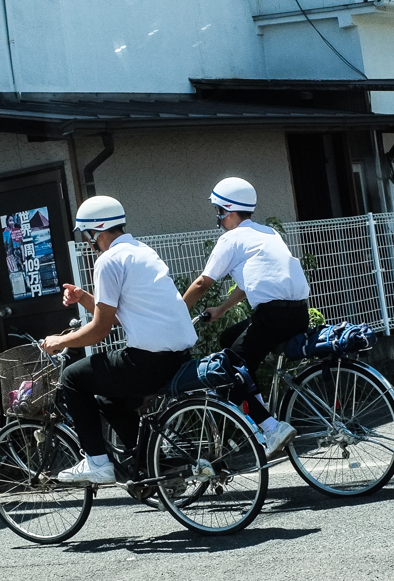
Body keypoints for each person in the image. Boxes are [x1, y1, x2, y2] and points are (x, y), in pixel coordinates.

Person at [41, 196, 198, 484]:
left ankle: (97, 462)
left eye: (89, 236)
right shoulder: (142, 252)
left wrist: (60, 341)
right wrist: (84, 298)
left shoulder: (109, 260)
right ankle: (150, 464)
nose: (90, 243)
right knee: (109, 400)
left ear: (96, 233)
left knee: (73, 377)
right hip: (179, 357)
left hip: (149, 363)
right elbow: (115, 317)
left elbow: (100, 331)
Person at [182, 176, 307, 459]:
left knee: (227, 370)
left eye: (219, 212)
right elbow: (248, 283)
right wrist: (222, 309)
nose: (218, 219)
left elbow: (203, 283)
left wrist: (175, 312)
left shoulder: (232, 238)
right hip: (297, 313)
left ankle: (270, 427)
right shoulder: (267, 233)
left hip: (272, 316)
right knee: (229, 340)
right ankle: (262, 419)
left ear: (228, 210)